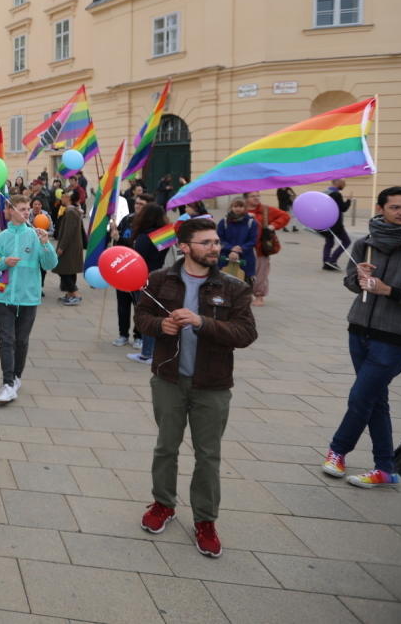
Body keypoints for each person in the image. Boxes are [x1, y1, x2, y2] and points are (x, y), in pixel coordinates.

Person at [133, 217, 257, 558]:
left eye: (216, 242)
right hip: (169, 379)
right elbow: (141, 318)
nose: (215, 248)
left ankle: (205, 520)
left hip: (212, 383)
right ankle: (163, 505)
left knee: (208, 455)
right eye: (206, 243)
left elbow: (246, 334)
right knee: (166, 446)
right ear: (184, 247)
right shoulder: (160, 280)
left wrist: (204, 323)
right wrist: (161, 325)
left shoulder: (234, 287)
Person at [322, 186, 401, 488]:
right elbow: (351, 284)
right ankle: (386, 467)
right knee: (375, 400)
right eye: (395, 207)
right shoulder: (365, 243)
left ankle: (337, 450)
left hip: (398, 337)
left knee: (361, 397)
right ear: (381, 209)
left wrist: (389, 291)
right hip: (360, 329)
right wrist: (358, 278)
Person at [0, 196, 57, 403]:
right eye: (21, 209)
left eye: (28, 209)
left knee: (21, 341)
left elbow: (50, 264)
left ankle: (16, 376)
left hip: (29, 298)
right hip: (4, 296)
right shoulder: (1, 238)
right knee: (5, 340)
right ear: (10, 211)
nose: (26, 212)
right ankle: (8, 383)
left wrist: (46, 244)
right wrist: (3, 262)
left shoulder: (37, 235)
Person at [126, 202, 171, 364]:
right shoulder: (166, 234)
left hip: (144, 279)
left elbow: (138, 260)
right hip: (160, 275)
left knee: (146, 315)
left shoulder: (145, 237)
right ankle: (153, 351)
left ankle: (147, 353)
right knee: (156, 315)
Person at [114, 194, 152, 346]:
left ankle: (139, 336)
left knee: (140, 305)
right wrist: (115, 236)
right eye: (136, 203)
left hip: (141, 272)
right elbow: (120, 245)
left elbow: (143, 249)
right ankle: (123, 334)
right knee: (122, 305)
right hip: (123, 271)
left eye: (141, 204)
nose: (137, 206)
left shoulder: (151, 225)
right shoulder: (127, 219)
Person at [244, 191, 290, 306]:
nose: (256, 198)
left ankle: (259, 296)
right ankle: (245, 295)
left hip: (260, 248)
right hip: (244, 248)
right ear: (246, 198)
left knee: (260, 273)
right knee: (244, 273)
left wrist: (273, 225)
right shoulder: (240, 209)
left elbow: (285, 216)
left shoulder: (265, 210)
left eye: (258, 196)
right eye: (253, 196)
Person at [216, 197, 259, 284]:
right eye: (235, 206)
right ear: (231, 207)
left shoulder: (251, 223)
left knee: (245, 286)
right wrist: (231, 248)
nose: (238, 208)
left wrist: (240, 249)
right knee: (222, 284)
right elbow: (219, 239)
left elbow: (253, 240)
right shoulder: (224, 222)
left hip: (246, 258)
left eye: (241, 206)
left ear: (245, 208)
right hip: (225, 257)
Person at [54, 189, 84, 305]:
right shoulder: (72, 210)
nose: (61, 198)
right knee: (70, 270)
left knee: (63, 270)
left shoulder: (71, 212)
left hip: (69, 247)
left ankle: (75, 294)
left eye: (64, 196)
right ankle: (70, 294)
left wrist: (61, 247)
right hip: (72, 246)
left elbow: (68, 232)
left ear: (69, 198)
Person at [323, 178, 353, 271]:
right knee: (346, 241)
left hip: (326, 222)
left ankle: (326, 263)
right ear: (337, 182)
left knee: (329, 242)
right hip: (336, 223)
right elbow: (343, 208)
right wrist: (348, 200)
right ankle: (332, 261)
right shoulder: (336, 194)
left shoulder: (325, 192)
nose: (344, 185)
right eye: (343, 183)